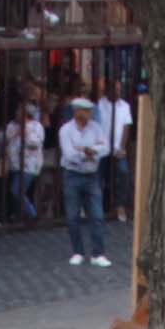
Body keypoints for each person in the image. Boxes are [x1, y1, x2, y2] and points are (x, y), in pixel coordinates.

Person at [58, 97, 115, 266]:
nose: (90, 113)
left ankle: (98, 253)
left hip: (92, 175)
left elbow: (106, 148)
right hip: (72, 174)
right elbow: (69, 155)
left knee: (97, 215)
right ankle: (78, 251)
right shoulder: (66, 130)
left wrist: (86, 150)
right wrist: (90, 152)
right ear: (77, 112)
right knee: (72, 216)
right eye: (87, 111)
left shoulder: (96, 128)